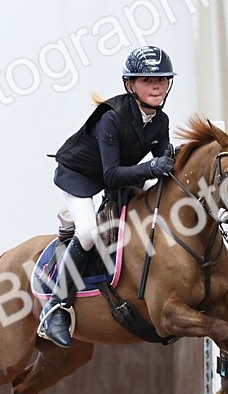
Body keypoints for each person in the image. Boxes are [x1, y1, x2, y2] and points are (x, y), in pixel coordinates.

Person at [37, 45, 178, 348]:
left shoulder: (160, 120)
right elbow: (111, 175)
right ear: (130, 85)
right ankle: (56, 308)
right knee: (88, 232)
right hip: (79, 176)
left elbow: (164, 166)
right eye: (147, 81)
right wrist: (151, 166)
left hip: (115, 178)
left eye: (162, 80)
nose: (156, 86)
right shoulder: (111, 117)